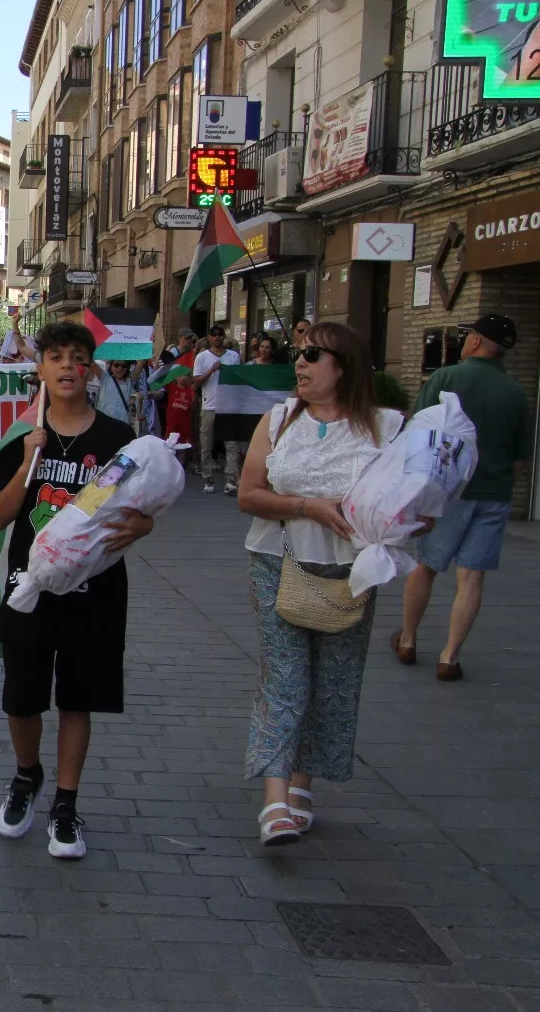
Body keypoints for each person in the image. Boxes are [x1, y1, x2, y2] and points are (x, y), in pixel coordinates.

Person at [0, 321, 152, 860]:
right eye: (56, 357)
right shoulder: (22, 434)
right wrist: (30, 459)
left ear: (91, 369)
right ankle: (26, 776)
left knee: (79, 697)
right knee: (22, 696)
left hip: (95, 590)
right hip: (28, 586)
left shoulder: (117, 440)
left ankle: (66, 803)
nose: (67, 368)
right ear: (41, 369)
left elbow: (141, 508)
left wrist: (143, 526)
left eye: (78, 358)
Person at [237, 322, 413, 845]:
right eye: (299, 353)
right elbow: (249, 493)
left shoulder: (388, 428)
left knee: (332, 683)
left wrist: (410, 519)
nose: (301, 362)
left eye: (314, 354)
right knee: (286, 678)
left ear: (346, 366)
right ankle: (274, 800)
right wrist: (306, 507)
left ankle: (301, 786)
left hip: (351, 572)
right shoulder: (280, 418)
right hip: (278, 559)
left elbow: (411, 501)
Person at [394, 314, 532, 682]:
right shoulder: (516, 392)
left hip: (448, 493)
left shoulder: (446, 377)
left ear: (474, 341)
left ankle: (408, 639)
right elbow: (521, 459)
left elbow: (418, 430)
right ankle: (449, 656)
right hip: (495, 493)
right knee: (472, 576)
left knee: (426, 565)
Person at [193, 325, 242, 493]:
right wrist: (212, 370)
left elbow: (239, 379)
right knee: (206, 444)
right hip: (209, 405)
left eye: (220, 335)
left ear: (224, 337)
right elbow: (196, 382)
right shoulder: (202, 357)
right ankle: (208, 478)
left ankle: (231, 480)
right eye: (214, 335)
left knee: (231, 445)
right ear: (209, 337)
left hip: (229, 406)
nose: (217, 338)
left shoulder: (233, 356)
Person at [94, 359, 137, 428]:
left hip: (121, 424)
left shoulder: (129, 381)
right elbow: (91, 363)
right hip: (103, 423)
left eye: (124, 366)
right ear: (111, 366)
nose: (120, 368)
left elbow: (142, 362)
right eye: (116, 365)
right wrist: (109, 359)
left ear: (127, 368)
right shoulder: (105, 378)